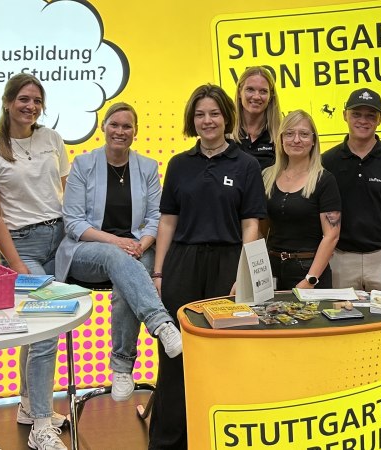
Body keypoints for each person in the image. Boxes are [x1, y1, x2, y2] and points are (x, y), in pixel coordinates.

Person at [150, 84, 265, 449]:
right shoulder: (179, 165)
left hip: (227, 264)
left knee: (225, 354)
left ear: (226, 117)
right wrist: (158, 272)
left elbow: (252, 224)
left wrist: (242, 273)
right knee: (175, 355)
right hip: (183, 263)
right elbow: (167, 221)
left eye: (214, 113)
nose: (207, 120)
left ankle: (219, 438)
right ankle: (170, 440)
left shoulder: (246, 165)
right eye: (200, 114)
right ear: (192, 120)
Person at [55, 103, 183, 409]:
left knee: (127, 279)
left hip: (137, 250)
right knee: (120, 261)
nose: (120, 131)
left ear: (135, 132)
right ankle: (161, 323)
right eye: (114, 125)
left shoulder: (148, 167)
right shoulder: (83, 165)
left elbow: (156, 217)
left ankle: (122, 367)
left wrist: (141, 243)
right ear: (103, 127)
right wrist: (117, 242)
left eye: (127, 126)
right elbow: (73, 222)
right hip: (86, 251)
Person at [0, 73, 71, 450]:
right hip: (21, 245)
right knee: (46, 327)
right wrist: (15, 265)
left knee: (39, 331)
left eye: (36, 100)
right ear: (7, 102)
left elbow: (65, 191)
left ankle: (28, 405)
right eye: (23, 99)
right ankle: (41, 424)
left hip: (60, 238)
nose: (30, 106)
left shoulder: (51, 139)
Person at [322, 88, 381, 292]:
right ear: (344, 115)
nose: (363, 121)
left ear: (380, 119)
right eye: (356, 114)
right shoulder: (326, 162)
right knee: (342, 322)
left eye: (370, 115)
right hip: (340, 259)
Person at [263, 110, 341, 290]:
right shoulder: (266, 177)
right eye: (289, 134)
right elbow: (261, 231)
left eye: (304, 134)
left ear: (313, 140)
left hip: (308, 272)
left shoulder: (324, 180)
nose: (296, 140)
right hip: (271, 272)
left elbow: (331, 235)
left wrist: (310, 279)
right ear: (281, 139)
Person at [232, 66, 282, 170]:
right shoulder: (225, 136)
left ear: (270, 96)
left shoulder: (281, 137)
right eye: (250, 90)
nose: (256, 96)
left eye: (263, 91)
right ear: (239, 92)